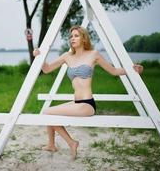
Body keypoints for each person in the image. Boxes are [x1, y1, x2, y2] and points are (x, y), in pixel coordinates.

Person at [33, 25, 143, 160]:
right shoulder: (67, 56)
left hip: (87, 104)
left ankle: (72, 143)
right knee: (48, 111)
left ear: (84, 38)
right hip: (76, 102)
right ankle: (51, 145)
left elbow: (114, 71)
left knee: (47, 113)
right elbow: (47, 69)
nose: (72, 38)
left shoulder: (93, 54)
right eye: (71, 36)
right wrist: (39, 57)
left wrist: (132, 69)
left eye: (76, 36)